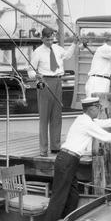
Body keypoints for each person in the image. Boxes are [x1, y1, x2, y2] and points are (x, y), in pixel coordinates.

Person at [43, 96, 111, 221]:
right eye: (98, 108)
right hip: (67, 160)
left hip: (69, 160)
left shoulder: (85, 119)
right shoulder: (86, 123)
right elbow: (105, 136)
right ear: (92, 109)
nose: (99, 110)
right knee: (59, 197)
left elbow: (104, 123)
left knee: (73, 197)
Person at [28, 27, 78, 156]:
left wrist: (74, 43)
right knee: (44, 116)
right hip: (44, 82)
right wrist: (35, 75)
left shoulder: (57, 48)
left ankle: (56, 146)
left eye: (52, 39)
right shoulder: (37, 52)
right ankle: (43, 149)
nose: (50, 42)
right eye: (47, 39)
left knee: (57, 115)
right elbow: (30, 70)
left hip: (57, 81)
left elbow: (67, 55)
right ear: (42, 38)